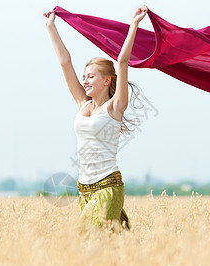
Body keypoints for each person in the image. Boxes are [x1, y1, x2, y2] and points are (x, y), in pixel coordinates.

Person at [43, 6, 148, 230]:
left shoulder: (115, 107)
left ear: (108, 81)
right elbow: (65, 63)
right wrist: (51, 27)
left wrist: (134, 25)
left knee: (82, 237)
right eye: (84, 77)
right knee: (108, 247)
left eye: (91, 76)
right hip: (84, 189)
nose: (85, 81)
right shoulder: (83, 105)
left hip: (107, 187)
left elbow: (122, 61)